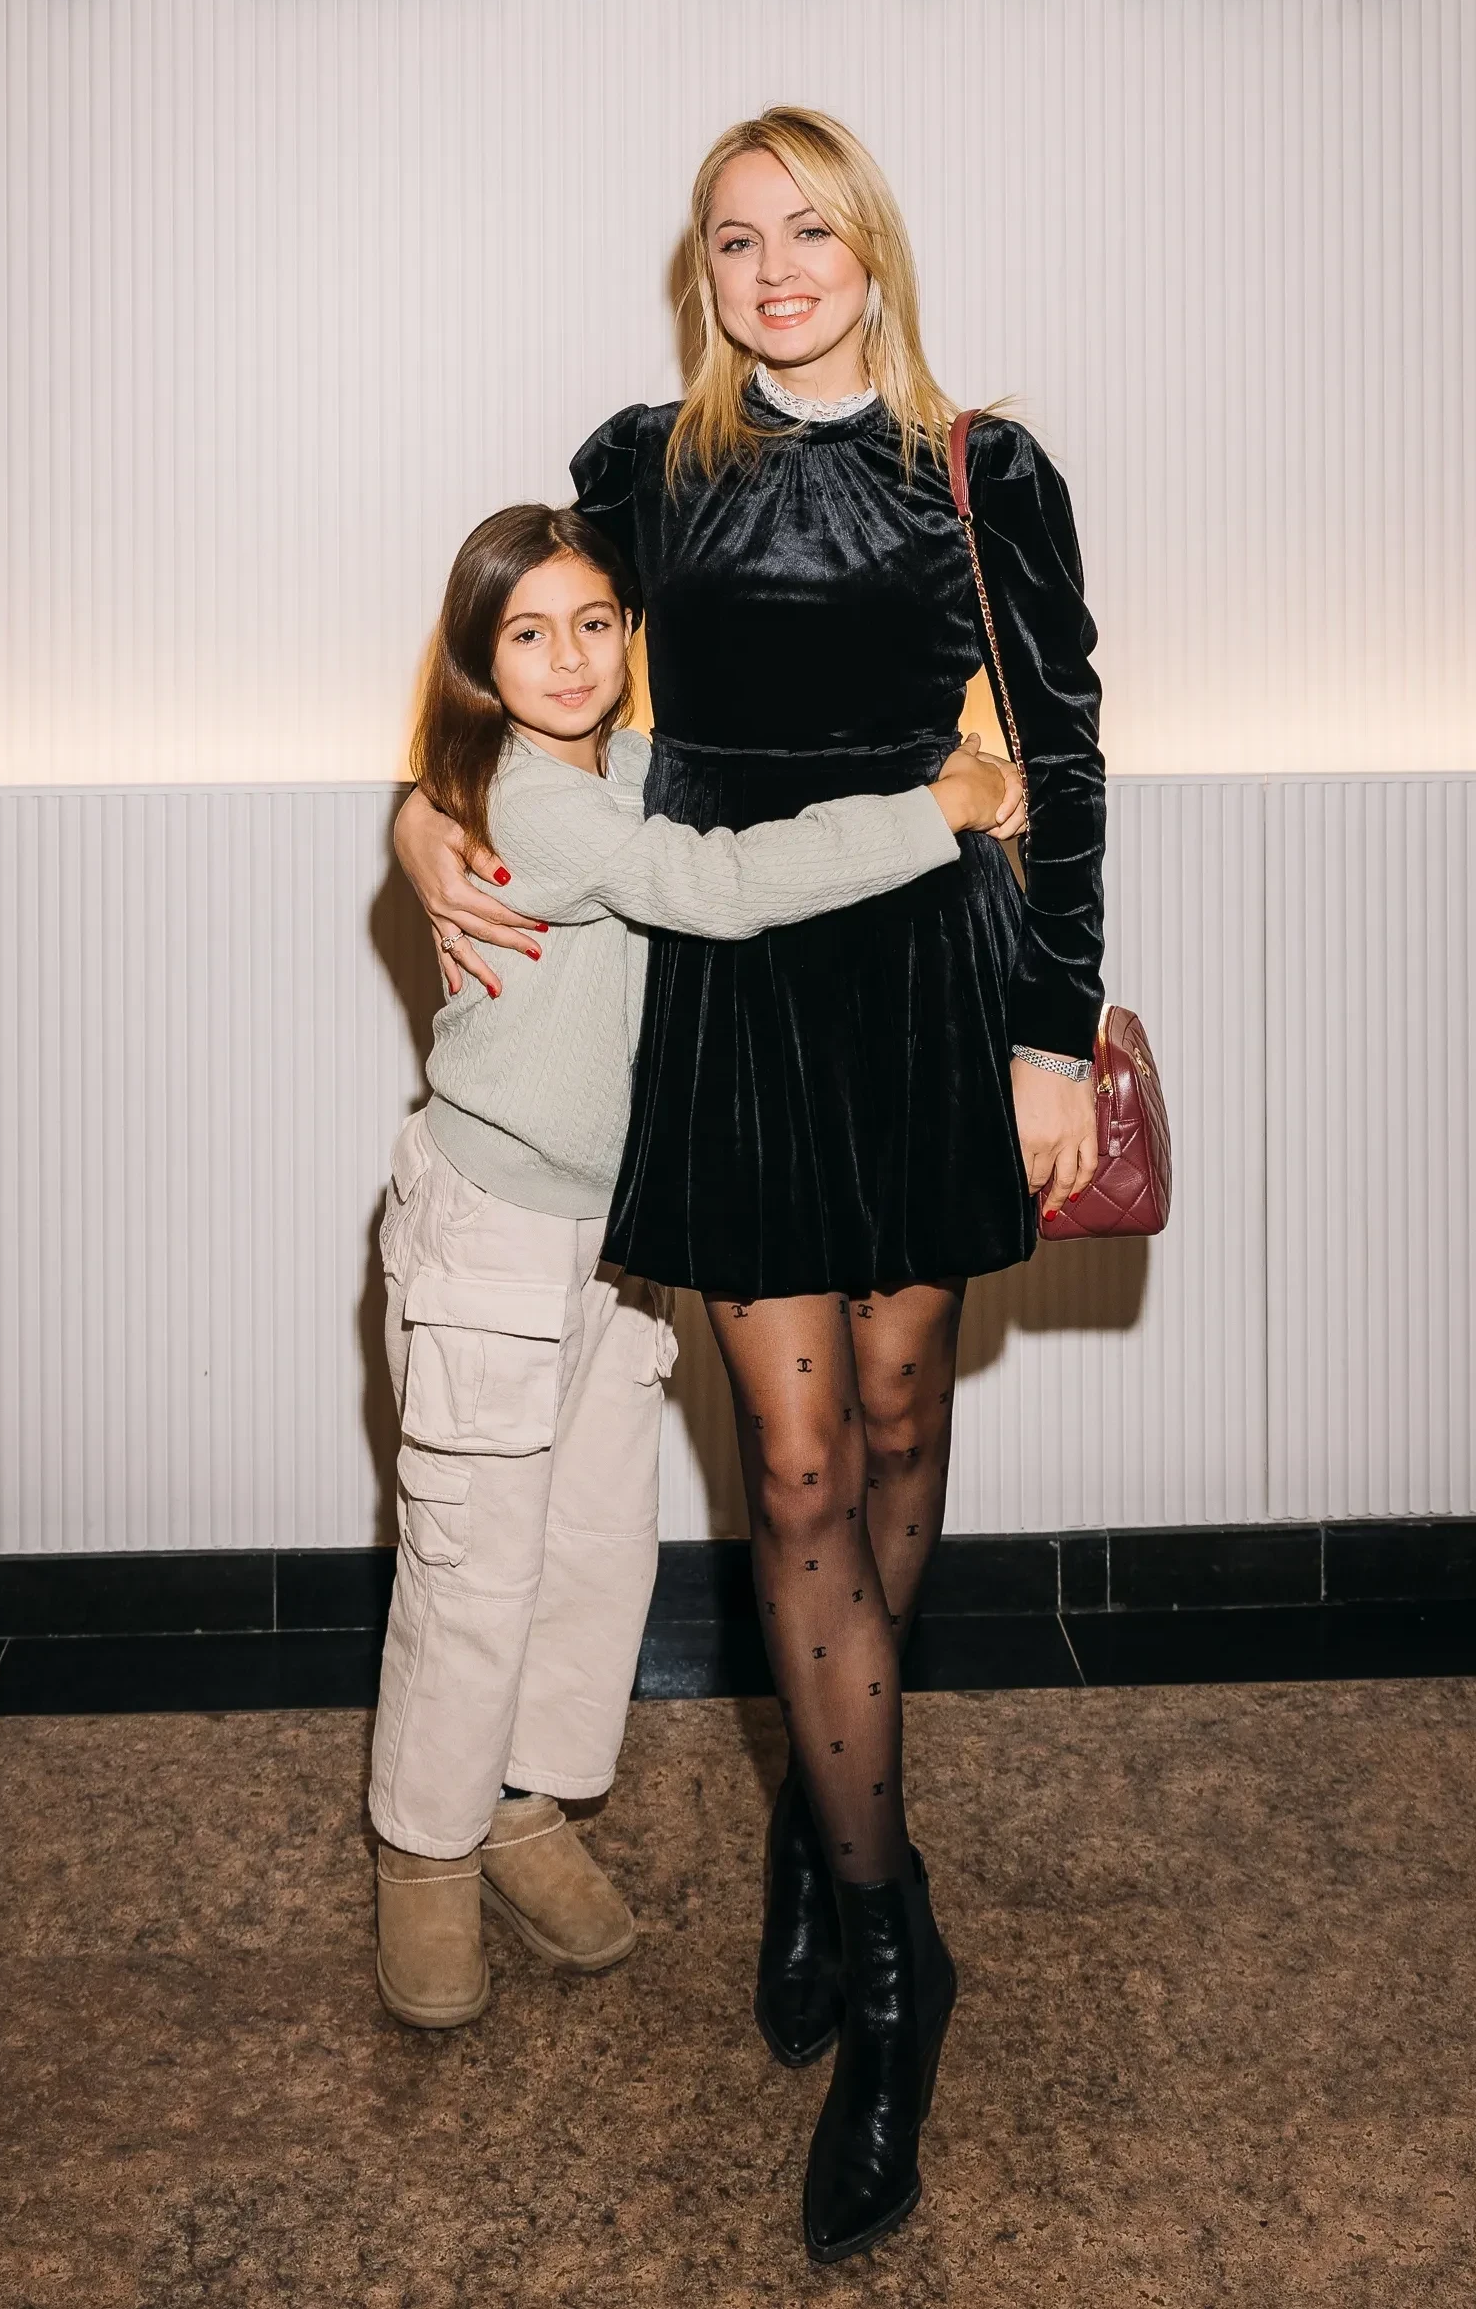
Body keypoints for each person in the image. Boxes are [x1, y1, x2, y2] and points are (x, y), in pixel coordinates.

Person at [394, 108, 1106, 2261]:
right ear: (698, 272)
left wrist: (1051, 1036)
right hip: (734, 992)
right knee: (790, 1471)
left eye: (810, 230)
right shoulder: (644, 464)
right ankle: (893, 1966)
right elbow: (510, 668)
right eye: (736, 240)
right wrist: (422, 825)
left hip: (922, 980)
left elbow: (1065, 759)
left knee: (893, 1421)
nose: (776, 268)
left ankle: (819, 1813)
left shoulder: (981, 469)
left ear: (871, 247)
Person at [371, 496, 1025, 2036]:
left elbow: (759, 800)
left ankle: (524, 1810)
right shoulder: (530, 799)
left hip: (623, 1234)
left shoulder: (628, 769)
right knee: (474, 1560)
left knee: (596, 1549)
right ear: (477, 661)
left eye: (596, 622)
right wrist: (935, 810)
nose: (570, 656)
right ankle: (425, 1852)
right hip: (494, 1225)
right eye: (528, 632)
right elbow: (719, 886)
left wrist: (945, 773)